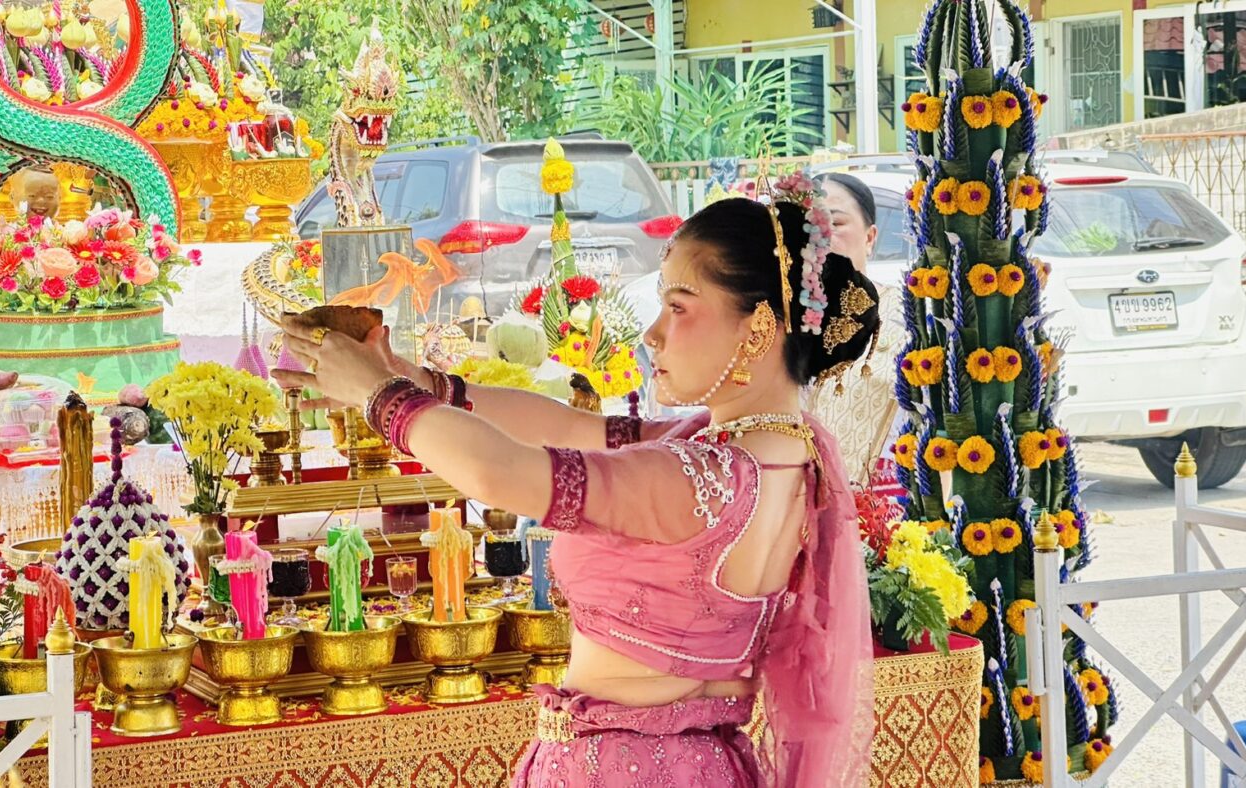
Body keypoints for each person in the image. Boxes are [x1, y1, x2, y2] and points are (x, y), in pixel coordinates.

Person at [274, 186, 876, 787]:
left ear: (759, 328)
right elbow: (569, 427)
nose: (653, 334)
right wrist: (418, 382)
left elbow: (502, 473)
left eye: (679, 307)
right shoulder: (768, 454)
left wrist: (380, 397)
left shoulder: (704, 477)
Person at [809, 172, 906, 493]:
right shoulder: (779, 321)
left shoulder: (905, 316)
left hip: (884, 507)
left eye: (835, 223)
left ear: (870, 236)